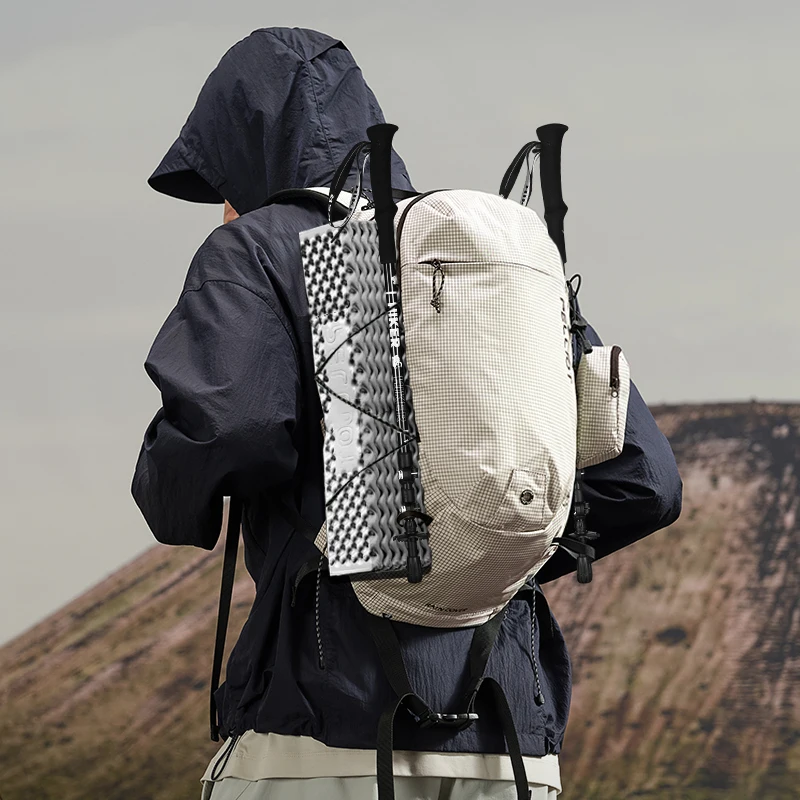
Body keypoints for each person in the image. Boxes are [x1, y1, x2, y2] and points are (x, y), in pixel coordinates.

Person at [131, 26, 683, 800]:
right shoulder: (487, 259)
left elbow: (225, 430)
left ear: (247, 152)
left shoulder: (262, 246)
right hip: (513, 744)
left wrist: (169, 494)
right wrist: (476, 549)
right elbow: (644, 481)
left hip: (321, 738)